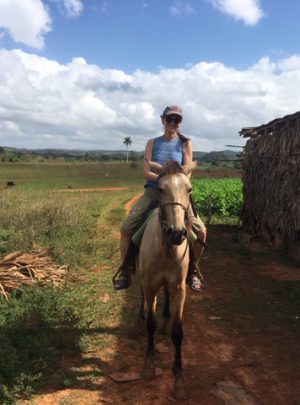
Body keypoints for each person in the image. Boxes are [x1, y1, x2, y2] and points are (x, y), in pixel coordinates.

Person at [113, 105, 207, 292]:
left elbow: (188, 172)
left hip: (177, 196)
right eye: (169, 119)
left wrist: (174, 185)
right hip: (153, 193)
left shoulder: (186, 143)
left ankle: (192, 270)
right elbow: (147, 171)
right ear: (162, 120)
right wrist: (164, 181)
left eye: (176, 120)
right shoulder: (152, 143)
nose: (172, 123)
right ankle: (125, 270)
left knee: (201, 231)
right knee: (126, 229)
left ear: (180, 123)